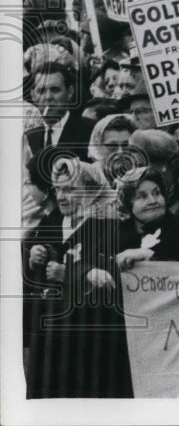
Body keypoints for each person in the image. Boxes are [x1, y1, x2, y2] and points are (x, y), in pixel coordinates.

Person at [24, 156, 131, 398]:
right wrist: (34, 258)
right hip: (52, 332)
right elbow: (32, 275)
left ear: (91, 191)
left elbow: (112, 276)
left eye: (70, 189)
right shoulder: (51, 221)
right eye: (58, 189)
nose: (61, 196)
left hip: (90, 334)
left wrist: (69, 275)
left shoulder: (110, 226)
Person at [114, 168, 179, 268]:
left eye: (157, 193)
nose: (153, 201)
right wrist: (95, 272)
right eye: (142, 196)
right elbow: (98, 260)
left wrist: (150, 256)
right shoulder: (117, 232)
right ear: (127, 204)